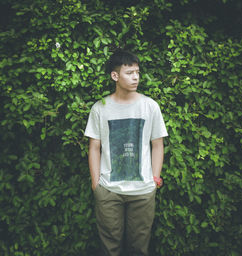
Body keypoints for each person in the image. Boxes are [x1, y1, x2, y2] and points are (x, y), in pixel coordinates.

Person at [84, 50, 168, 256]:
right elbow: (94, 147)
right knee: (109, 248)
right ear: (115, 76)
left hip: (143, 191)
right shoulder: (100, 108)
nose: (136, 77)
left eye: (137, 72)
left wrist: (154, 179)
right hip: (109, 191)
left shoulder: (150, 106)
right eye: (130, 73)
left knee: (139, 248)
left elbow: (158, 144)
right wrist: (97, 184)